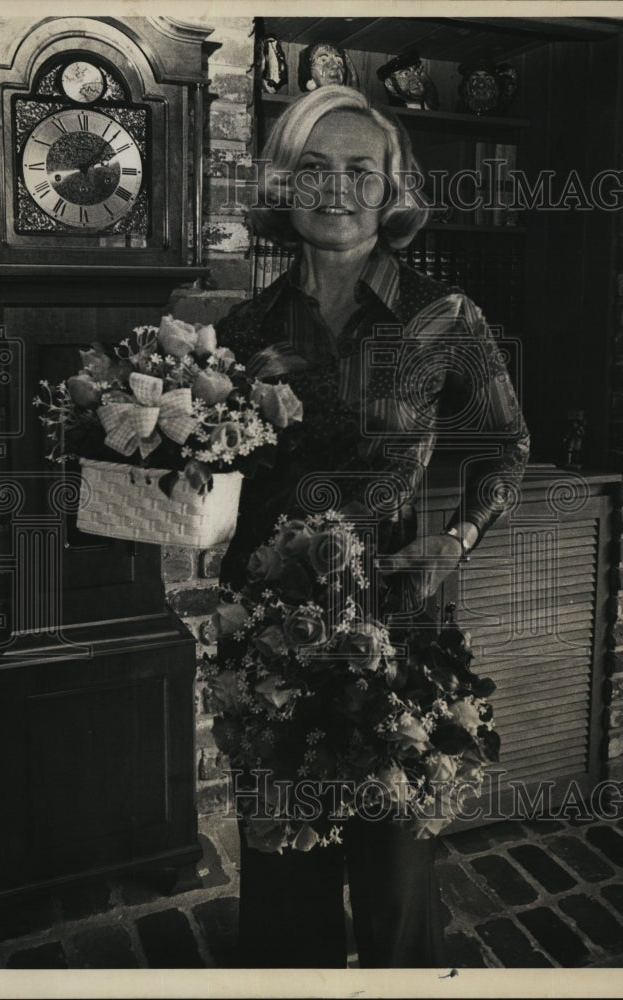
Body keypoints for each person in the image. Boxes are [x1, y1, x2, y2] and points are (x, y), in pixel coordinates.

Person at [215, 85, 530, 969]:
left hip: (395, 622)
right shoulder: (244, 329)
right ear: (284, 184)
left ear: (394, 190)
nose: (336, 189)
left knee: (395, 877)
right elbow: (223, 473)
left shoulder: (443, 317)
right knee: (283, 882)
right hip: (271, 632)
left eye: (361, 170)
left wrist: (458, 537)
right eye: (313, 168)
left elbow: (506, 446)